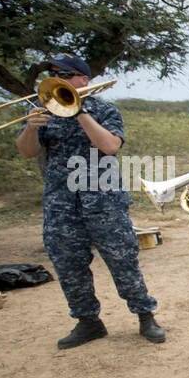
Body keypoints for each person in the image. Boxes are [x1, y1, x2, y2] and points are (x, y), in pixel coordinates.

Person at [15, 54, 164, 348]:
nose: (58, 79)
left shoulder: (105, 110)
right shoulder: (42, 111)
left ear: (83, 80)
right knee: (68, 263)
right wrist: (30, 127)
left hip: (103, 201)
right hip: (61, 201)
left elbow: (109, 146)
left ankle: (145, 315)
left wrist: (79, 111)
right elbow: (27, 152)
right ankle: (88, 322)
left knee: (122, 260)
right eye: (55, 74)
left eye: (65, 75)